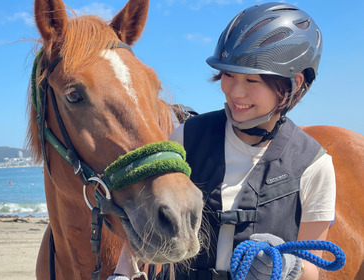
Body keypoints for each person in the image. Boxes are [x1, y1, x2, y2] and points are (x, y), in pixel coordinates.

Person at [109, 2, 335, 280]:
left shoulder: (314, 166)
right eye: (228, 74)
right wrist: (122, 274)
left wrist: (291, 266)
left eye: (252, 80)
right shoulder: (186, 138)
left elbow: (317, 270)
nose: (234, 92)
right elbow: (147, 224)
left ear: (295, 83)